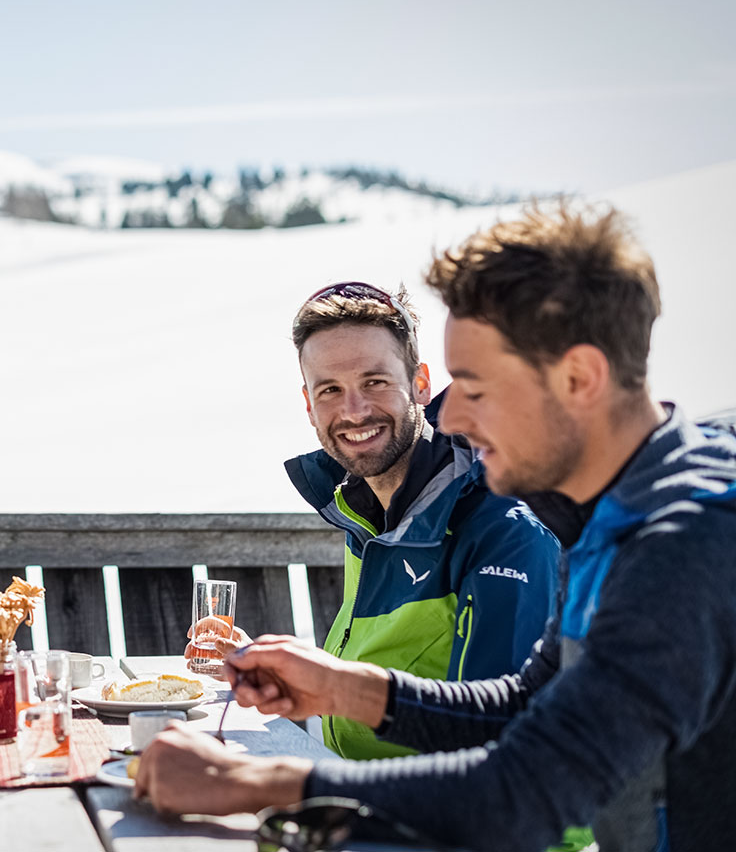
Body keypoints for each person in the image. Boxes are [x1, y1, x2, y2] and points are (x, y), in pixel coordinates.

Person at [138, 205, 736, 852]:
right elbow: (525, 706)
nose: (451, 420)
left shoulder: (684, 541)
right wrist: (340, 686)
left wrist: (256, 781)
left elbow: (530, 789)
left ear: (579, 378)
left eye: (475, 387)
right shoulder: (606, 513)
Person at [188, 282, 559, 761]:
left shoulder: (505, 532)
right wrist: (277, 671)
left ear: (421, 384)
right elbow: (376, 693)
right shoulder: (366, 516)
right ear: (309, 406)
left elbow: (499, 747)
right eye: (330, 390)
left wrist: (299, 780)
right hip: (356, 788)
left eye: (375, 382)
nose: (354, 411)